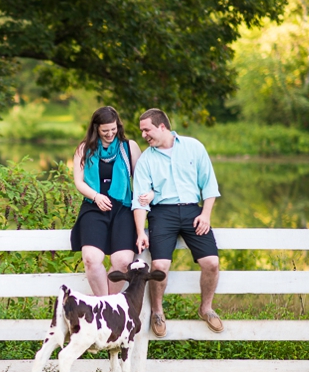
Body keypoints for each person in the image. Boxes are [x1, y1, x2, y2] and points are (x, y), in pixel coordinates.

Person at [131, 108, 224, 337]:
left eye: (147, 130)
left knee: (211, 262)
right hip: (162, 213)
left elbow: (209, 185)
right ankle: (157, 311)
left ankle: (206, 308)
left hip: (194, 211)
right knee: (160, 266)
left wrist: (206, 215)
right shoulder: (146, 159)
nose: (144, 135)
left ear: (162, 126)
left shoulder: (194, 147)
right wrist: (140, 232)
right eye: (142, 131)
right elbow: (140, 201)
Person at [69, 106, 151, 296]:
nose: (110, 134)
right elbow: (78, 182)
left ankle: (110, 304)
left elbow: (141, 180)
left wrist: (150, 195)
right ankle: (104, 304)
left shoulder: (129, 147)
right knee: (91, 259)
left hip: (122, 207)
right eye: (105, 131)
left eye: (113, 129)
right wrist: (96, 196)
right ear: (96, 128)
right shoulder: (84, 149)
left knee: (123, 261)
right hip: (93, 206)